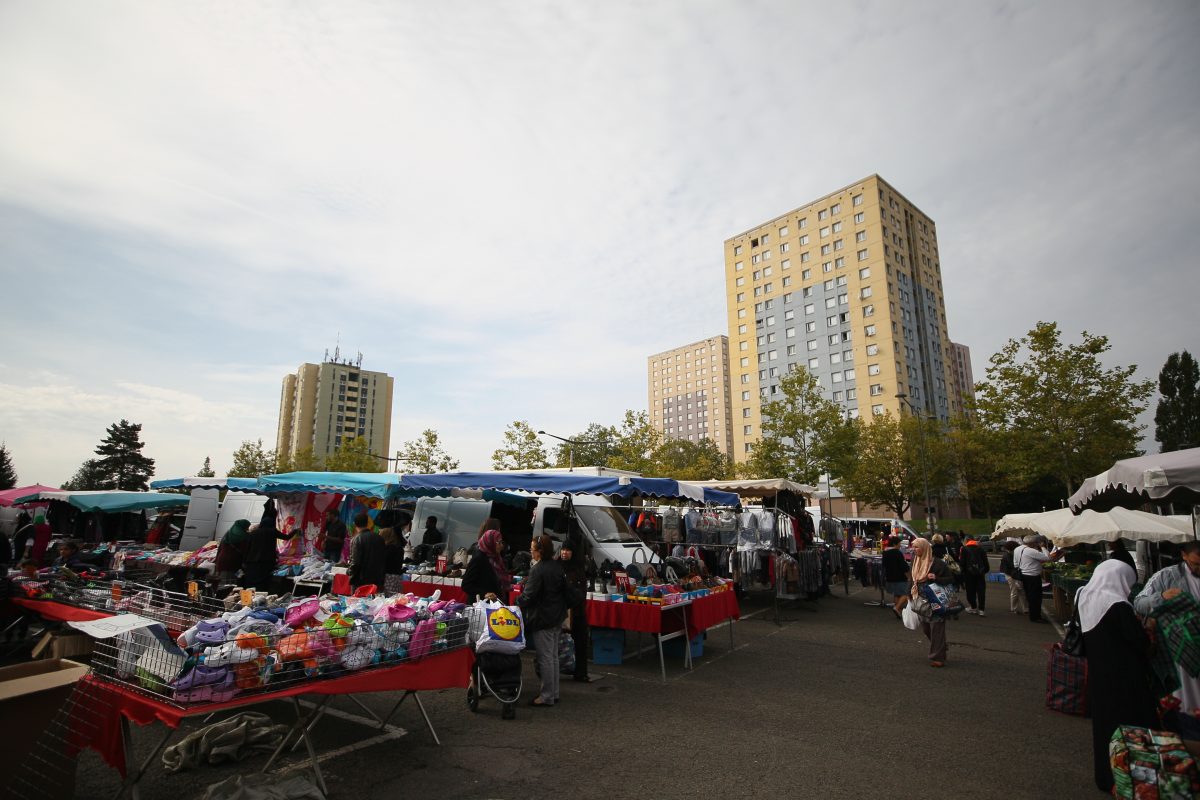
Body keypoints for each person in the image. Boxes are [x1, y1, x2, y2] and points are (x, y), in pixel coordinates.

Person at [1080, 560, 1157, 793]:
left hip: (1098, 674)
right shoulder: (1117, 604)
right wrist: (1149, 628)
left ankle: (1106, 776)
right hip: (1124, 676)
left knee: (1104, 728)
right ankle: (1132, 777)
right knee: (1131, 728)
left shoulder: (1084, 596)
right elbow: (1139, 642)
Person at [1133, 541, 1200, 716]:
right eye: (1196, 564)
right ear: (1184, 555)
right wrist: (1161, 597)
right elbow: (1139, 603)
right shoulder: (1165, 577)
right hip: (1181, 654)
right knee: (1186, 705)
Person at [517, 534, 568, 707]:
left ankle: (547, 696)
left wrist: (516, 602)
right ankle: (554, 693)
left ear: (540, 551)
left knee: (546, 658)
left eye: (533, 550)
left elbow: (528, 596)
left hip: (543, 617)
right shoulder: (556, 566)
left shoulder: (538, 570)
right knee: (552, 657)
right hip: (557, 616)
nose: (531, 553)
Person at [910, 537, 952, 667]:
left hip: (935, 600)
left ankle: (938, 657)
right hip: (920, 600)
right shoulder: (915, 561)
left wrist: (936, 578)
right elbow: (912, 580)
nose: (914, 549)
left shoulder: (937, 563)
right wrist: (909, 595)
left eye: (917, 547)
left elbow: (951, 578)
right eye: (914, 547)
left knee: (937, 629)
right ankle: (941, 646)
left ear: (925, 548)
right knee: (926, 628)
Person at [558, 530, 592, 683]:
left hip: (577, 611)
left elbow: (581, 592)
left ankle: (581, 672)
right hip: (560, 612)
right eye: (563, 549)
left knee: (580, 641)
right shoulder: (556, 566)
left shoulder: (578, 569)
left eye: (568, 550)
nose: (564, 553)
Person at [241, 500, 297, 590]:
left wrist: (244, 561)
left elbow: (247, 548)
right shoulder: (272, 531)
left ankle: (249, 597)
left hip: (252, 561)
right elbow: (287, 537)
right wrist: (295, 531)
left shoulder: (253, 533)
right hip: (266, 561)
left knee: (251, 581)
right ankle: (260, 596)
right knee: (263, 582)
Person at [1014, 535, 1063, 623]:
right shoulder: (1031, 551)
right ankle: (1036, 616)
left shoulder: (1017, 549)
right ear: (1032, 543)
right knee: (1035, 597)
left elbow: (1016, 564)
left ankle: (1033, 614)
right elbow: (1048, 558)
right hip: (1032, 576)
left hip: (1024, 575)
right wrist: (1043, 547)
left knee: (1030, 596)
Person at [462, 521, 511, 603]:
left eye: (501, 542)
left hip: (495, 605)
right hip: (481, 606)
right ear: (490, 542)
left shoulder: (497, 559)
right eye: (499, 543)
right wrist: (484, 594)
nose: (501, 546)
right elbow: (466, 585)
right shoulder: (479, 559)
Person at [348, 511, 386, 591]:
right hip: (377, 579)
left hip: (360, 581)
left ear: (355, 524)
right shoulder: (379, 538)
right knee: (374, 602)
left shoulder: (357, 539)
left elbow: (355, 562)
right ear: (367, 523)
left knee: (357, 603)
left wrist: (349, 572)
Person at [880, 535, 910, 619]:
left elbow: (884, 565)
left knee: (897, 594)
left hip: (890, 577)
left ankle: (898, 610)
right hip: (899, 577)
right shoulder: (897, 553)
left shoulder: (885, 553)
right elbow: (903, 566)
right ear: (894, 544)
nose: (900, 545)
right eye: (899, 544)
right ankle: (897, 608)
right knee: (907, 593)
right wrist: (908, 575)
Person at [959, 538, 990, 616]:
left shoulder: (964, 549)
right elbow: (985, 563)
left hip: (968, 573)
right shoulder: (981, 549)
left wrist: (962, 572)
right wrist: (984, 571)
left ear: (966, 542)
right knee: (981, 591)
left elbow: (962, 562)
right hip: (980, 573)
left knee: (970, 591)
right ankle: (981, 609)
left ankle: (973, 607)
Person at [214, 519, 249, 585]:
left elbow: (220, 548)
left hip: (222, 561)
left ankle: (221, 594)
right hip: (235, 563)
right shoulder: (245, 536)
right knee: (233, 583)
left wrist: (217, 562)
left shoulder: (228, 533)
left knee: (222, 583)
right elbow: (245, 551)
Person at [1000, 540, 1027, 615]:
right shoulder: (1008, 555)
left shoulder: (1009, 554)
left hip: (1013, 574)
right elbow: (1012, 567)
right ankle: (1014, 608)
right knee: (1016, 591)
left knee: (1020, 591)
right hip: (1011, 575)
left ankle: (1024, 608)